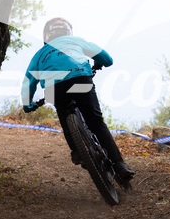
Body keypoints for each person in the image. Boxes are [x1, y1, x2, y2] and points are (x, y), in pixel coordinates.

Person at [21, 17, 135, 181]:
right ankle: (119, 165)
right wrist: (99, 63)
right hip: (81, 80)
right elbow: (107, 59)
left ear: (47, 35)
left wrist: (27, 104)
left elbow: (28, 82)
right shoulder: (76, 41)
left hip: (55, 88)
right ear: (68, 31)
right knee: (96, 122)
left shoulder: (40, 54)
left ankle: (77, 152)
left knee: (64, 114)